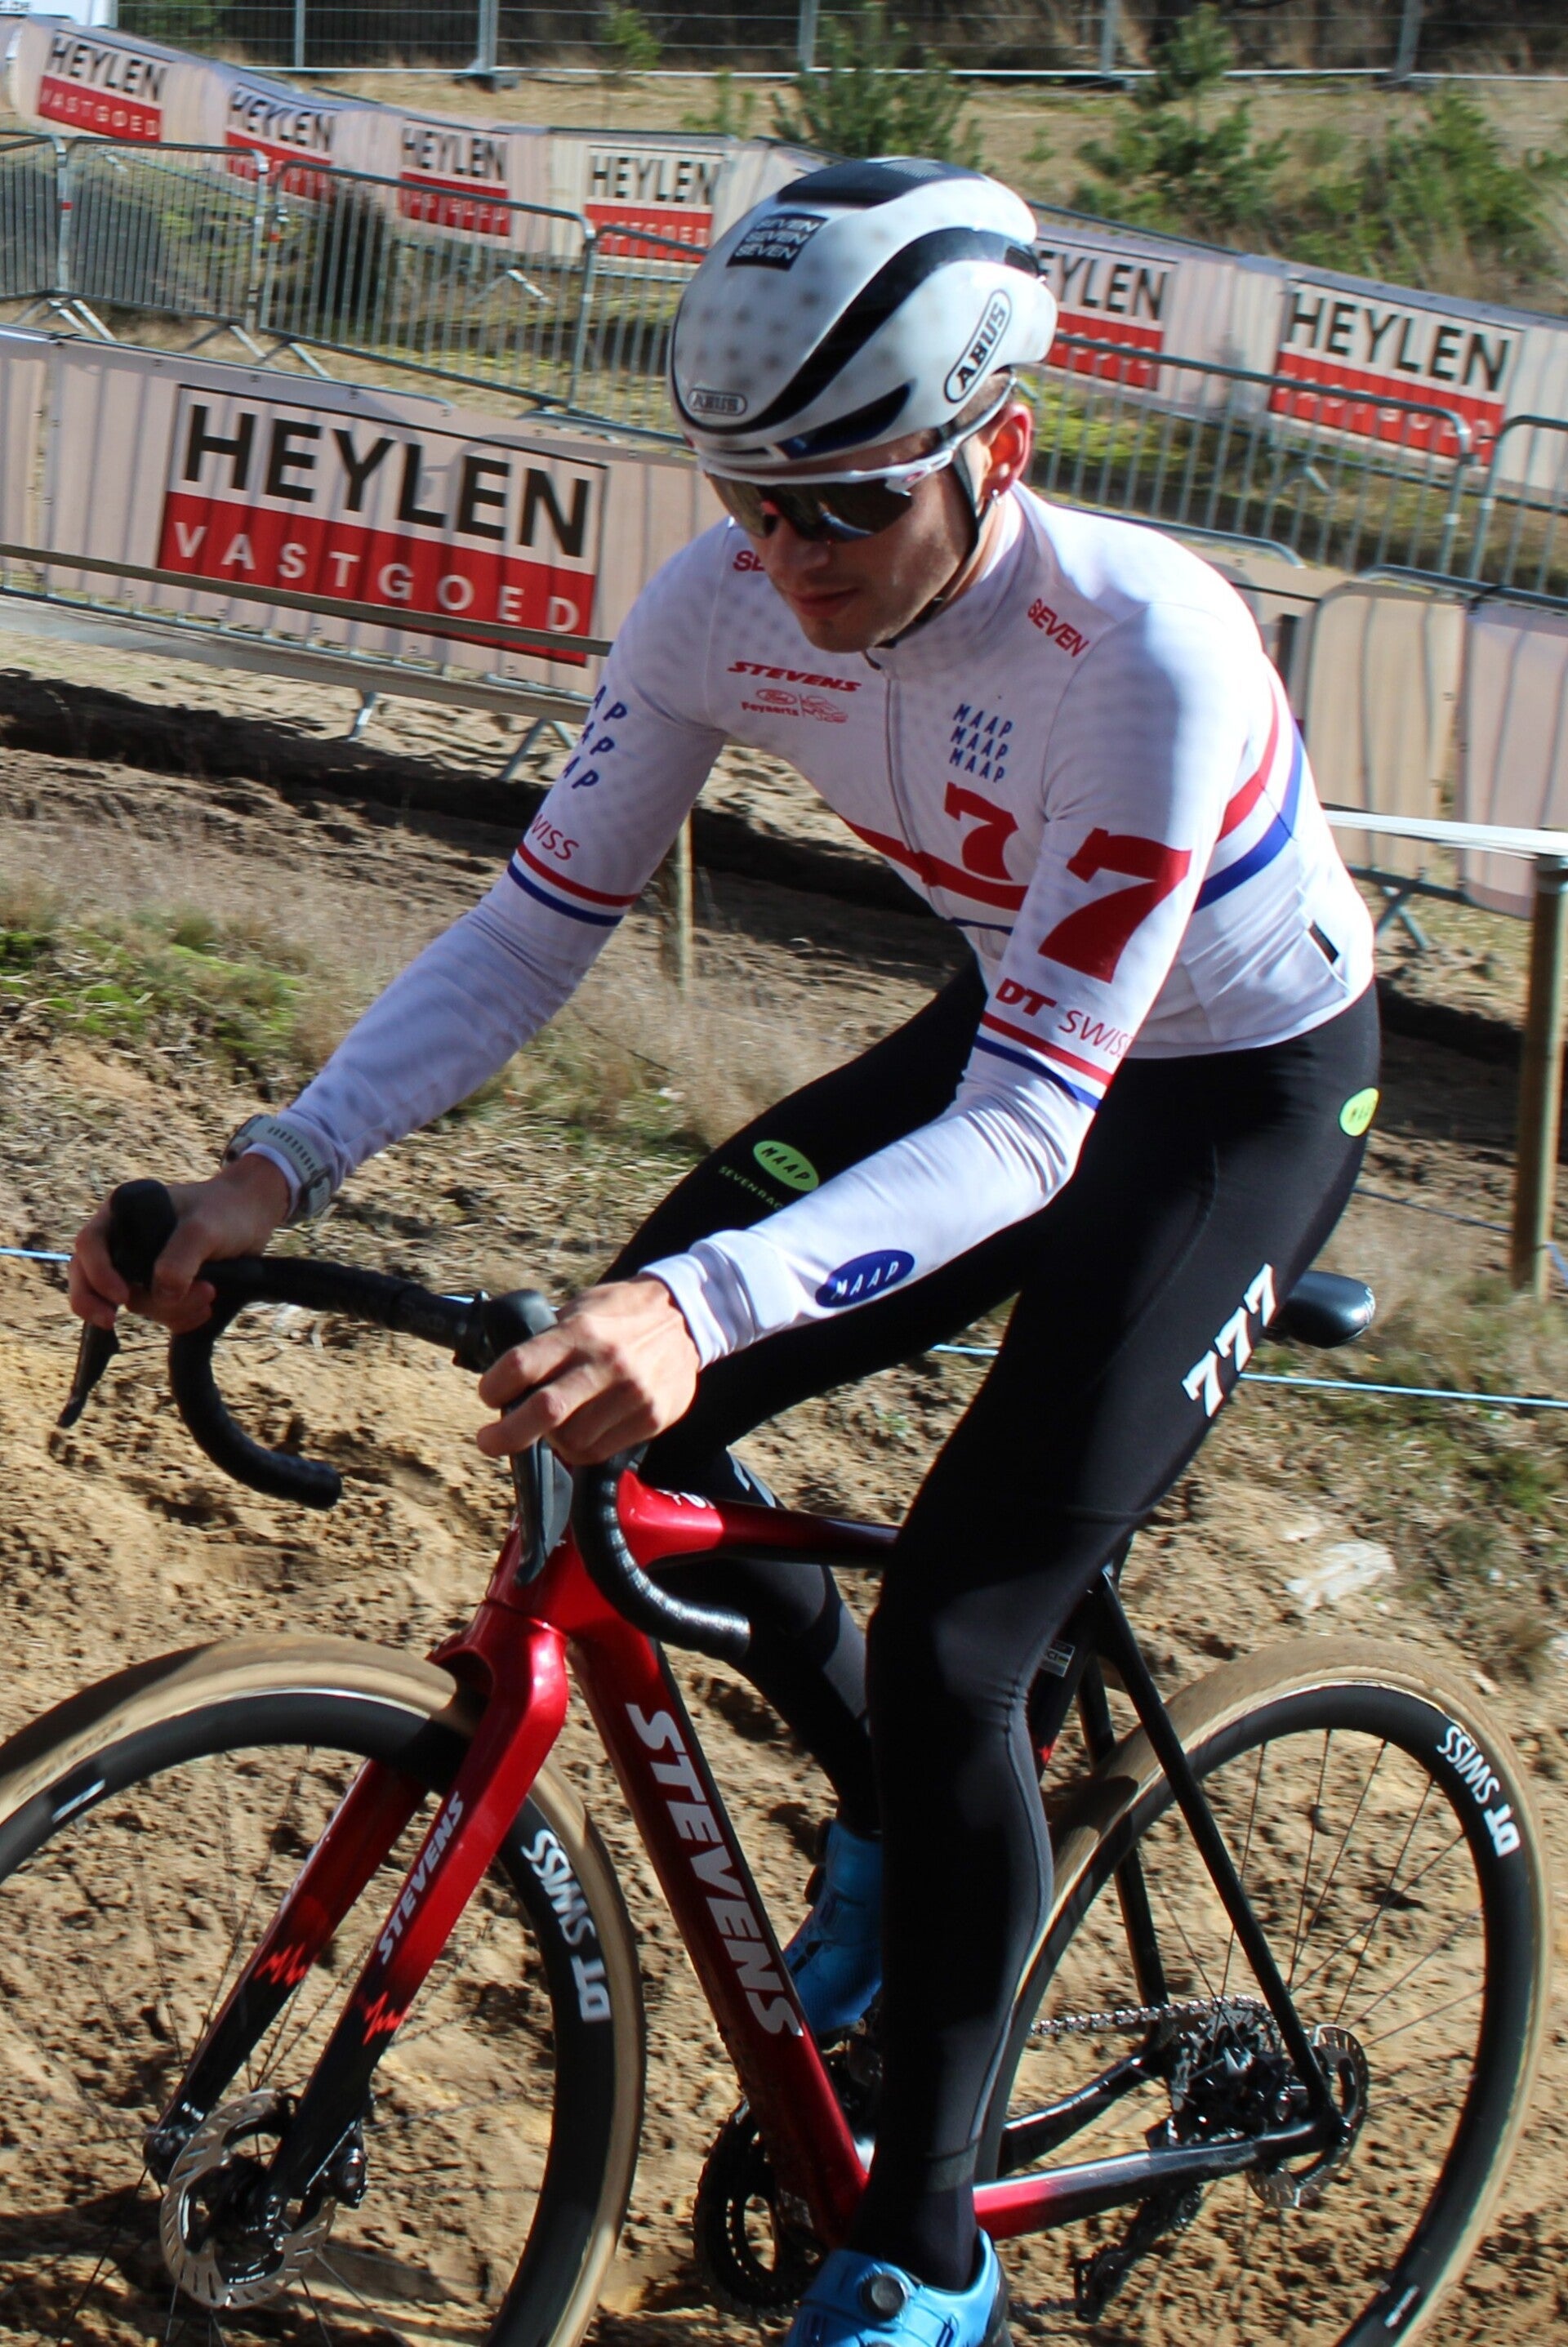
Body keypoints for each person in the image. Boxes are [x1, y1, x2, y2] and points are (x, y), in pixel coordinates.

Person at [72, 157, 1377, 2347]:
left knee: (960, 1634)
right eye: (748, 502)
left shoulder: (1142, 648)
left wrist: (704, 1303)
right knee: (641, 1432)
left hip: (1224, 1099)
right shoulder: (723, 603)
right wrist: (270, 1173)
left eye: (846, 506)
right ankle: (900, 1820)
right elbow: (535, 929)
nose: (788, 557)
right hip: (1018, 1031)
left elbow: (1032, 1136)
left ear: (1000, 449)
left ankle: (929, 2251)